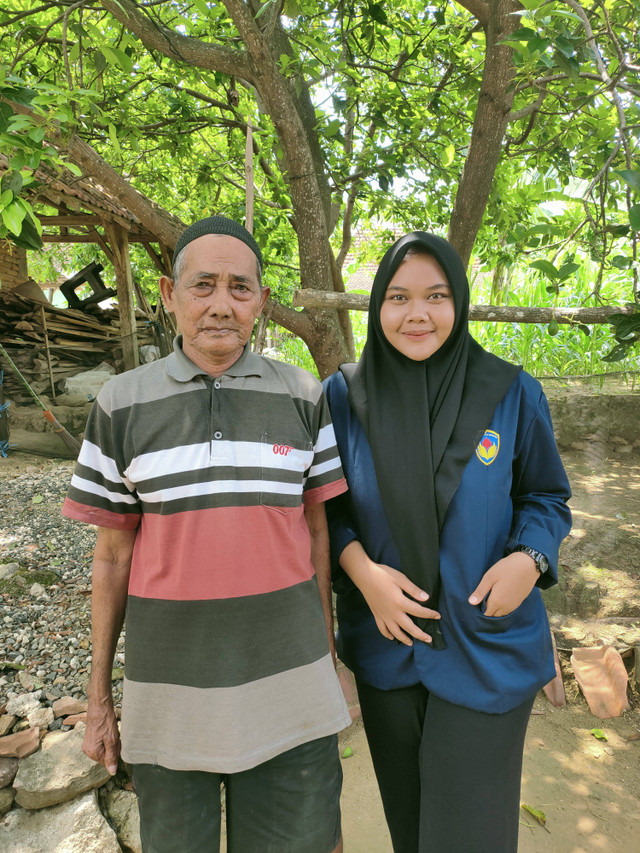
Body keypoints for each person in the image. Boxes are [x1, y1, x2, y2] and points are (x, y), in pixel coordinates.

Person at [62, 216, 351, 853]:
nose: (222, 305)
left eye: (240, 288)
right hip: (169, 696)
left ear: (261, 302)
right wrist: (100, 696)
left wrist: (328, 655)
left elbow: (316, 530)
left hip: (291, 687)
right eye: (203, 286)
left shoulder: (305, 396)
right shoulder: (120, 404)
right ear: (169, 294)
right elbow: (110, 557)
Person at [323, 231, 572, 853]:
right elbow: (322, 510)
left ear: (458, 302)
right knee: (411, 832)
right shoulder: (344, 397)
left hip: (484, 639)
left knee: (471, 835)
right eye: (398, 297)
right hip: (389, 644)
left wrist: (529, 557)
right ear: (377, 306)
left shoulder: (511, 391)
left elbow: (546, 496)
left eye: (436, 296)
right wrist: (363, 574)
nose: (417, 314)